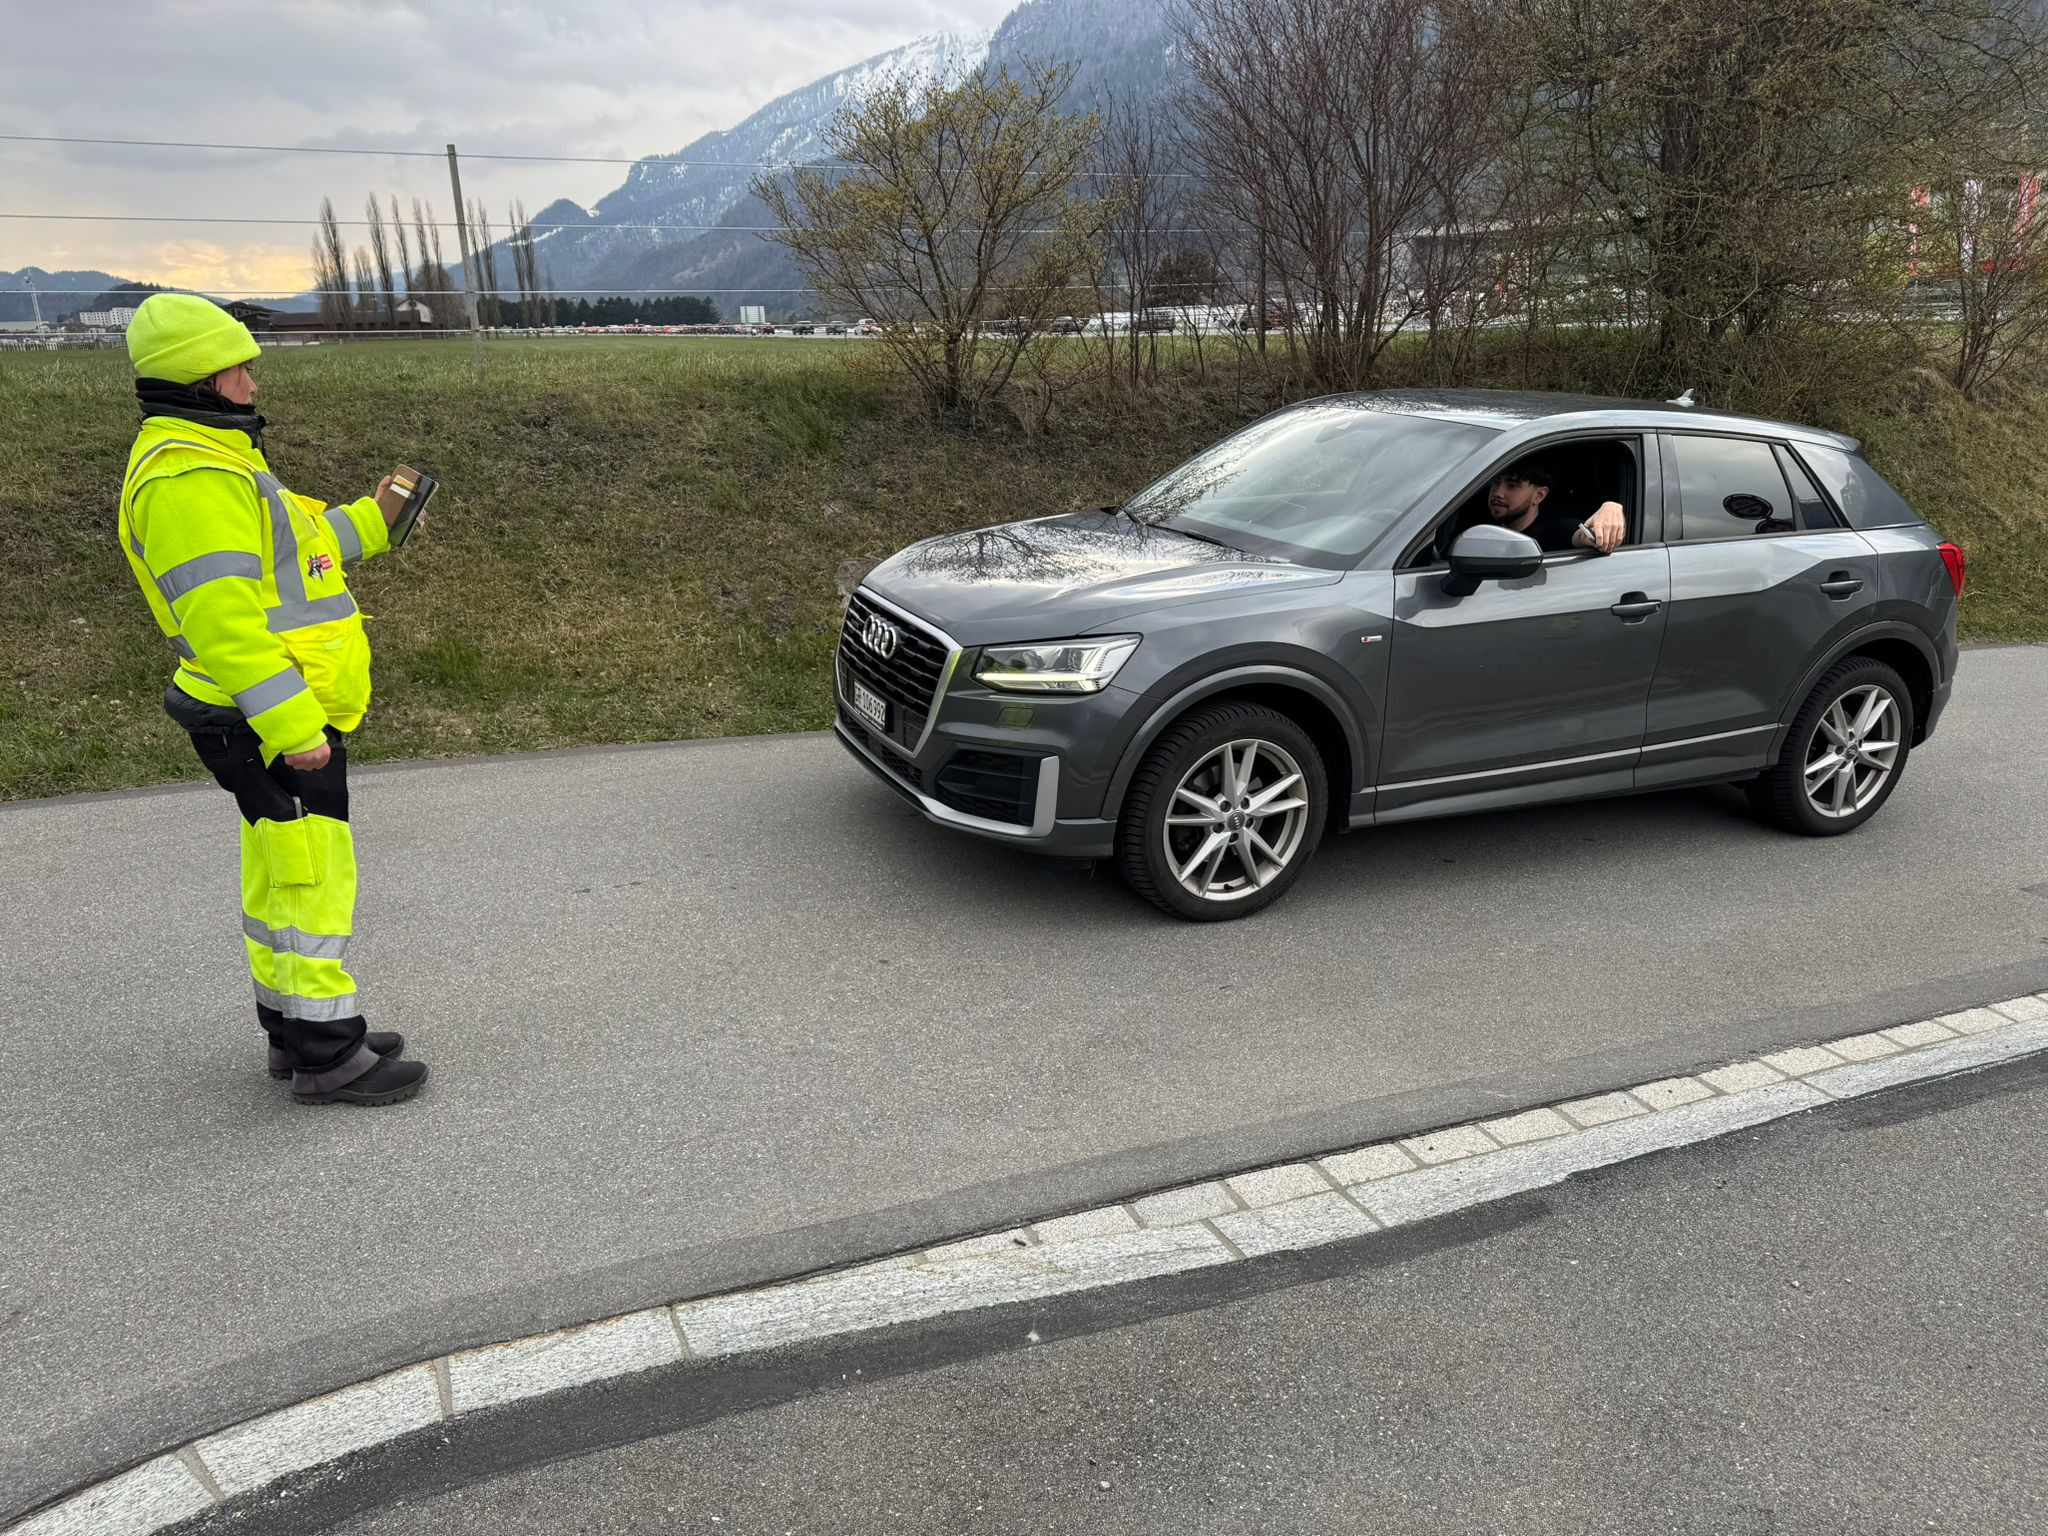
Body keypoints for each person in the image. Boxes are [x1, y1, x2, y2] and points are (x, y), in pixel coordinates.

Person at [117, 293, 429, 1106]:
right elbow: (224, 623)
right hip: (266, 715)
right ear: (203, 378)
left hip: (266, 711)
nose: (254, 379)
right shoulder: (189, 479)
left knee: (278, 871)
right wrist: (293, 727)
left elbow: (306, 545)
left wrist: (381, 518)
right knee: (308, 877)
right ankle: (330, 1054)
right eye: (240, 366)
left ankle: (295, 1032)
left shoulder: (222, 461)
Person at [1483, 462, 1627, 553]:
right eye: (1495, 483)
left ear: (1539, 495)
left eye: (1512, 486)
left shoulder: (1553, 532)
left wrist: (1610, 508)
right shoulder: (1478, 523)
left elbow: (1592, 538)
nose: (1497, 493)